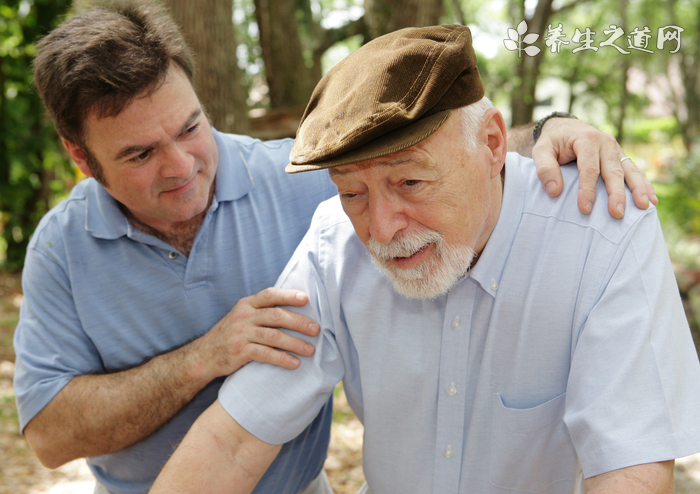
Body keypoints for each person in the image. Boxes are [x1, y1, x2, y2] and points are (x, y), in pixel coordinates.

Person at [13, 2, 655, 493]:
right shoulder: (60, 252)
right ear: (82, 156)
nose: (182, 165)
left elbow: (432, 157)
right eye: (141, 153)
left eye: (190, 128)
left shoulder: (300, 186)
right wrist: (203, 358)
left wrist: (555, 131)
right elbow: (49, 435)